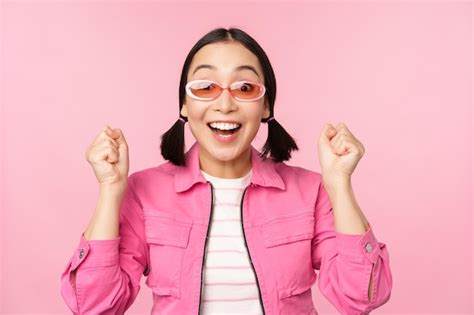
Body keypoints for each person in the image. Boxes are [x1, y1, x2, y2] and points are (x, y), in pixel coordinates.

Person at [60, 27, 392, 315]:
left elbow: (361, 298)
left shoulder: (310, 190)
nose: (225, 103)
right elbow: (94, 305)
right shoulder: (145, 192)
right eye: (205, 87)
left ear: (265, 107)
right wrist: (109, 191)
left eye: (244, 88)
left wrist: (340, 185)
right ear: (184, 105)